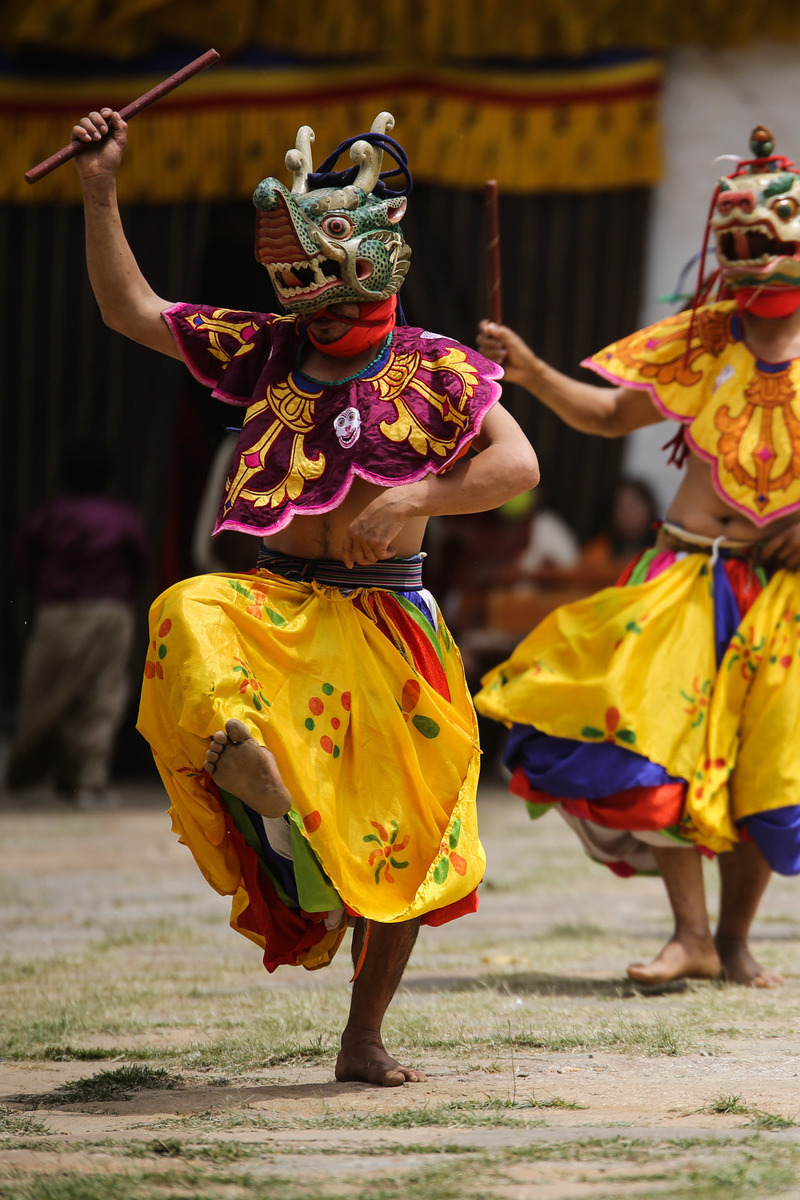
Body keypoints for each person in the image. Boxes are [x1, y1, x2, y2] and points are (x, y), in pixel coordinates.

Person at [70, 106, 539, 1085]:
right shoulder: (265, 351)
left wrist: (418, 491)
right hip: (279, 608)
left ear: (375, 262)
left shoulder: (438, 366)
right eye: (296, 288)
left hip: (385, 619)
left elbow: (517, 466)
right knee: (187, 608)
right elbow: (131, 312)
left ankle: (361, 1037)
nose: (311, 309)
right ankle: (247, 760)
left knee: (410, 839)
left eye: (323, 283)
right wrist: (101, 186)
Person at [475, 125, 800, 989]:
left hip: (784, 598)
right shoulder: (703, 338)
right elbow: (610, 418)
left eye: (766, 243)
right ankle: (690, 933)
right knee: (655, 744)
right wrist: (535, 370)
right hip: (683, 580)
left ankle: (731, 942)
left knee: (761, 767)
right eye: (736, 245)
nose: (750, 261)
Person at [6, 437, 148, 808]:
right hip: (110, 614)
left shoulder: (50, 513)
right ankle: (87, 782)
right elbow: (139, 563)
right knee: (101, 697)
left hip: (58, 613)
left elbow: (24, 558)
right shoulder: (121, 516)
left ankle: (27, 776)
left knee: (44, 692)